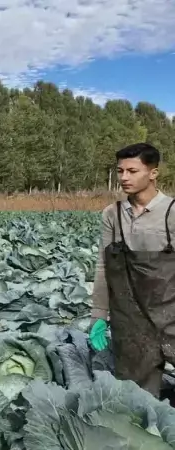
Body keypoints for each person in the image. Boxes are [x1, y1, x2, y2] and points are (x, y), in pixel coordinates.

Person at [89, 142, 175, 399]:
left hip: (171, 313)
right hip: (131, 320)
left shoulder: (171, 212)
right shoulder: (113, 215)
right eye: (120, 171)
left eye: (132, 171)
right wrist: (99, 315)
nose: (124, 177)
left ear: (153, 173)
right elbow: (104, 266)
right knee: (138, 400)